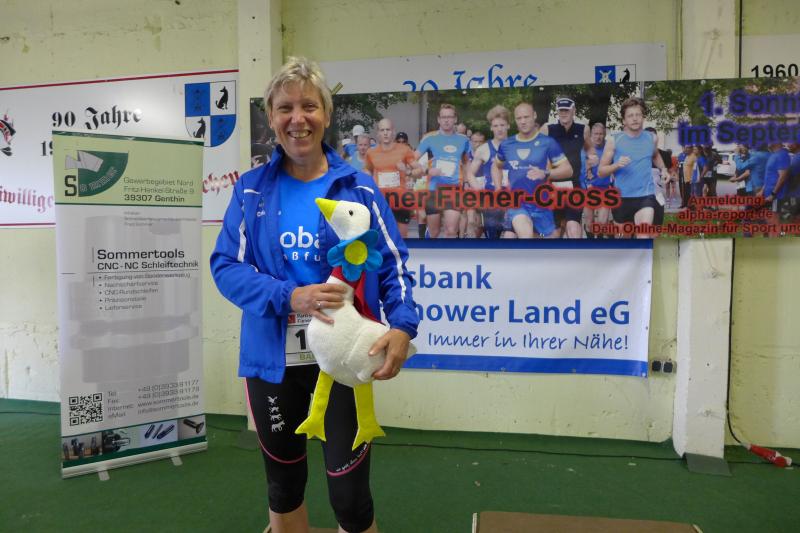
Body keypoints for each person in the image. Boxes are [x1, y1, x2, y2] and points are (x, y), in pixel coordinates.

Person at [210, 57, 419, 533]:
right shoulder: (250, 192)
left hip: (344, 359)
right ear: (271, 117)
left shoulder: (359, 189)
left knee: (350, 499)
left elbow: (394, 265)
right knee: (283, 487)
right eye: (285, 108)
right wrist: (290, 296)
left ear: (326, 114)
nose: (297, 118)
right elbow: (226, 267)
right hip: (272, 360)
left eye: (308, 106)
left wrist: (403, 325)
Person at [493, 102, 572, 238]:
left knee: (550, 240)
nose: (523, 121)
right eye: (519, 118)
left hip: (542, 204)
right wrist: (498, 189)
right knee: (526, 235)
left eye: (526, 117)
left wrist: (545, 173)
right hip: (517, 203)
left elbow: (568, 170)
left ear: (534, 116)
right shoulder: (506, 145)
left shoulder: (548, 142)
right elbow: (496, 166)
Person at [598, 97, 669, 237]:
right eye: (630, 115)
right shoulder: (614, 140)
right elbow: (601, 172)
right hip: (622, 197)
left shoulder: (652, 138)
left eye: (638, 115)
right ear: (624, 120)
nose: (635, 118)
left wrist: (664, 169)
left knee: (643, 236)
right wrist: (616, 165)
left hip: (645, 196)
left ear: (643, 117)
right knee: (625, 239)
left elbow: (655, 155)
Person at [539, 97, 597, 238]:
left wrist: (592, 159)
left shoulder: (583, 129)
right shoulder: (547, 129)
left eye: (567, 110)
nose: (563, 113)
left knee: (573, 226)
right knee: (555, 233)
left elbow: (590, 148)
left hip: (574, 186)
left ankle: (575, 252)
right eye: (561, 111)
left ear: (574, 111)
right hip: (552, 186)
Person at [414, 103, 470, 238]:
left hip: (454, 189)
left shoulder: (463, 140)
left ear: (455, 119)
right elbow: (411, 160)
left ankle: (449, 252)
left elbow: (467, 163)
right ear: (438, 119)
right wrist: (427, 170)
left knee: (451, 230)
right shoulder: (430, 138)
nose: (446, 120)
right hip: (434, 189)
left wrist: (467, 182)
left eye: (449, 117)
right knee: (434, 232)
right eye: (444, 117)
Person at [364, 118, 421, 238]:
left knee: (402, 236)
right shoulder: (371, 152)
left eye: (388, 130)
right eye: (382, 130)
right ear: (378, 133)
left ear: (393, 132)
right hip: (381, 199)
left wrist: (407, 171)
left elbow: (419, 171)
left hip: (400, 199)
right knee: (381, 236)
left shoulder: (404, 150)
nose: (385, 133)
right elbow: (367, 170)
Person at [466, 106, 510, 239]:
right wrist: (479, 190)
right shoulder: (484, 149)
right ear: (491, 128)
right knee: (492, 235)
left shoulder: (516, 146)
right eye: (496, 126)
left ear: (508, 126)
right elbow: (470, 174)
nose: (499, 129)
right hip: (492, 198)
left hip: (513, 196)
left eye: (502, 125)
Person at [583, 122, 611, 236]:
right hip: (589, 189)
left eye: (601, 134)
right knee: (589, 223)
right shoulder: (585, 149)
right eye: (596, 134)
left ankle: (599, 242)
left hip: (605, 189)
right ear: (591, 135)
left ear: (604, 134)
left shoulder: (609, 148)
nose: (598, 137)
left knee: (602, 223)